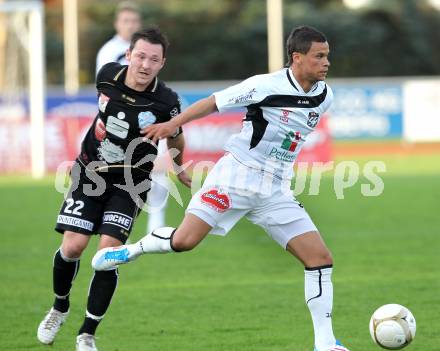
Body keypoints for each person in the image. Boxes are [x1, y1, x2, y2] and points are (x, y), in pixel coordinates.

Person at [92, 26, 350, 351]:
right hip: (235, 177)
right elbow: (214, 102)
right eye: (319, 56)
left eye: (327, 55)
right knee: (184, 241)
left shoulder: (325, 96)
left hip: (275, 190)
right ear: (297, 58)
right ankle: (130, 251)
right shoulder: (265, 85)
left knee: (319, 258)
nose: (326, 62)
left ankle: (325, 344)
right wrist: (174, 124)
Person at [37, 27, 191, 351]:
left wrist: (178, 167)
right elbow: (102, 112)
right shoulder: (107, 76)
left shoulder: (167, 101)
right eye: (140, 56)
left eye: (154, 59)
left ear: (163, 63)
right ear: (129, 55)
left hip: (131, 182)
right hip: (91, 171)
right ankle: (59, 306)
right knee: (73, 247)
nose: (145, 65)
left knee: (107, 256)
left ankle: (87, 333)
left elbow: (175, 135)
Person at [96, 1, 170, 233]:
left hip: (148, 117)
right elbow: (104, 89)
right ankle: (112, 223)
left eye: (134, 21)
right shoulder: (108, 51)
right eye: (125, 21)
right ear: (117, 23)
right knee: (114, 173)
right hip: (118, 120)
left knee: (157, 165)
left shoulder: (148, 50)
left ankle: (156, 223)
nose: (130, 25)